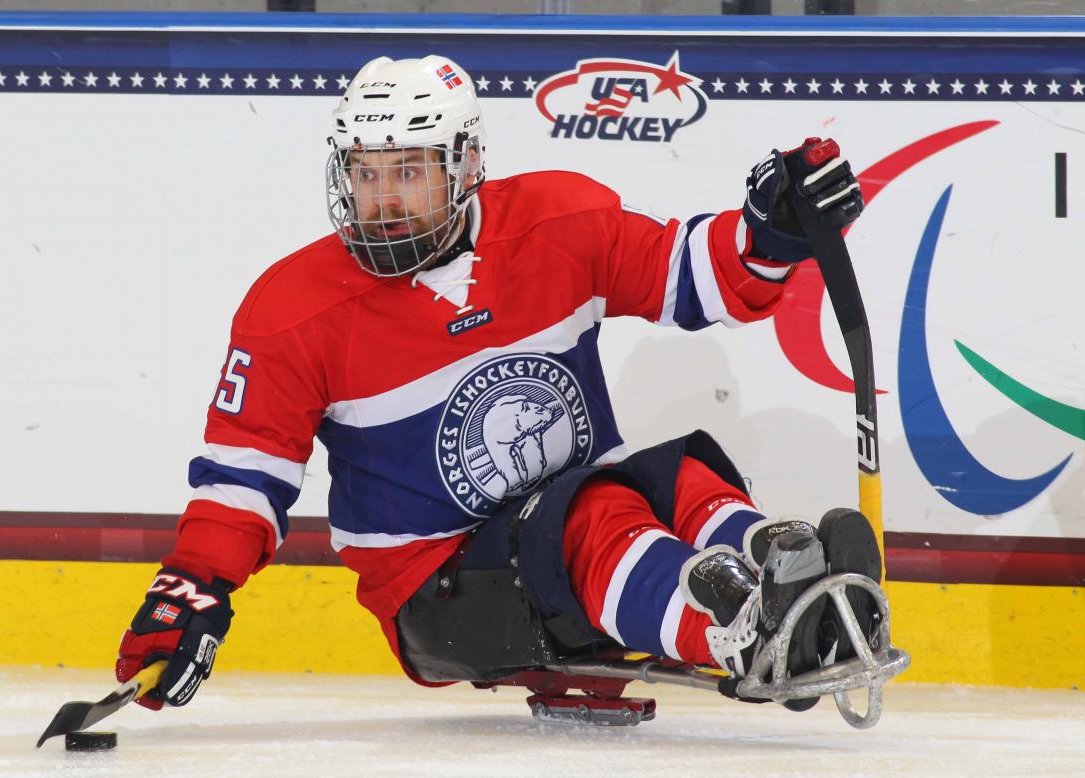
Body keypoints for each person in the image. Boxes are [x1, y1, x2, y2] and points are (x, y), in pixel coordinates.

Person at [115, 55, 879, 712]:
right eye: (365, 172)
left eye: (408, 171)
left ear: (467, 166)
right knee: (597, 509)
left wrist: (770, 230)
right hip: (438, 593)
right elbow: (243, 482)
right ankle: (738, 633)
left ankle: (796, 587)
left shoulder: (557, 221)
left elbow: (691, 275)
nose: (382, 200)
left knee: (677, 473)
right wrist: (191, 590)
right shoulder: (290, 311)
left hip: (559, 525)